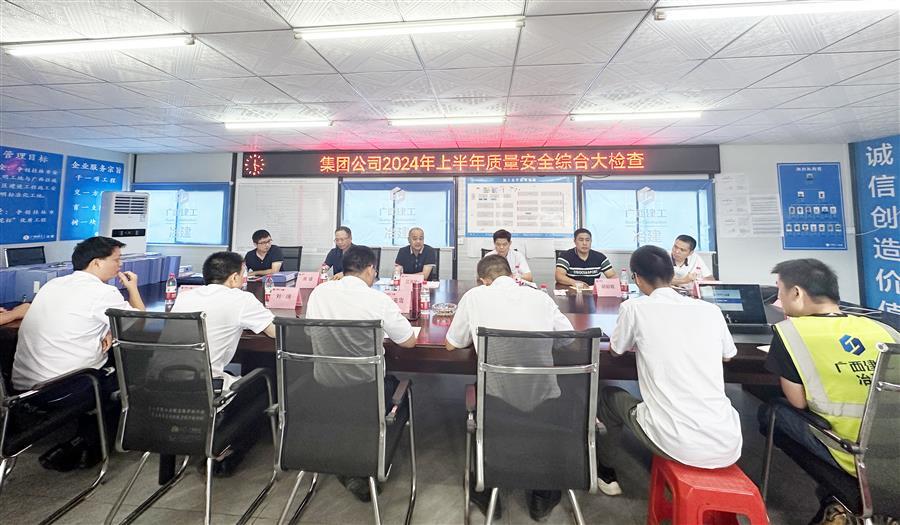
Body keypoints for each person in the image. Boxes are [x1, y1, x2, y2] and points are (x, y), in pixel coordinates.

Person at [760, 259, 899, 524]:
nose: (779, 299)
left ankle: (840, 499)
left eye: (780, 291)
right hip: (894, 452)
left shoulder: (792, 332)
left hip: (852, 453)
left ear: (796, 293)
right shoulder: (886, 330)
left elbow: (798, 402)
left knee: (773, 412)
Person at [598, 245, 742, 496]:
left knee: (609, 397)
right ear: (671, 274)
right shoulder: (710, 310)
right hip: (728, 441)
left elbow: (616, 350)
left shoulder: (634, 308)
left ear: (637, 278)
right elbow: (728, 355)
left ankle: (605, 471)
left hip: (675, 442)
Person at [446, 254, 574, 521]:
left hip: (496, 401)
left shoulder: (474, 297)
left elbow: (452, 344)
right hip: (544, 402)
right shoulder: (540, 297)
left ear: (483, 280)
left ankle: (485, 488)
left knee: (478, 394)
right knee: (537, 410)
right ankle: (542, 494)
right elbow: (567, 339)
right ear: (512, 275)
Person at [12, 236, 145, 471]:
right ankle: (89, 445)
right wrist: (132, 288)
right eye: (116, 260)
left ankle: (83, 440)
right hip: (63, 388)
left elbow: (80, 320)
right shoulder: (102, 292)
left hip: (24, 389)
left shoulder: (53, 284)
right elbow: (139, 323)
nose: (120, 265)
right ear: (96, 263)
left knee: (106, 364)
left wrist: (108, 329)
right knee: (133, 372)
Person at [305, 245, 416, 501]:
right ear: (369, 270)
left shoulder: (319, 293)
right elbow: (409, 341)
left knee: (348, 402)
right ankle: (364, 462)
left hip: (325, 384)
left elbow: (311, 333)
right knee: (400, 389)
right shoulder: (377, 299)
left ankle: (345, 455)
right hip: (368, 389)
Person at [171, 251, 276, 475]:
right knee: (267, 382)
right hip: (208, 388)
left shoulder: (185, 297)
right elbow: (275, 332)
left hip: (169, 385)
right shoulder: (240, 299)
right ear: (234, 277)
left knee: (238, 374)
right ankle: (227, 448)